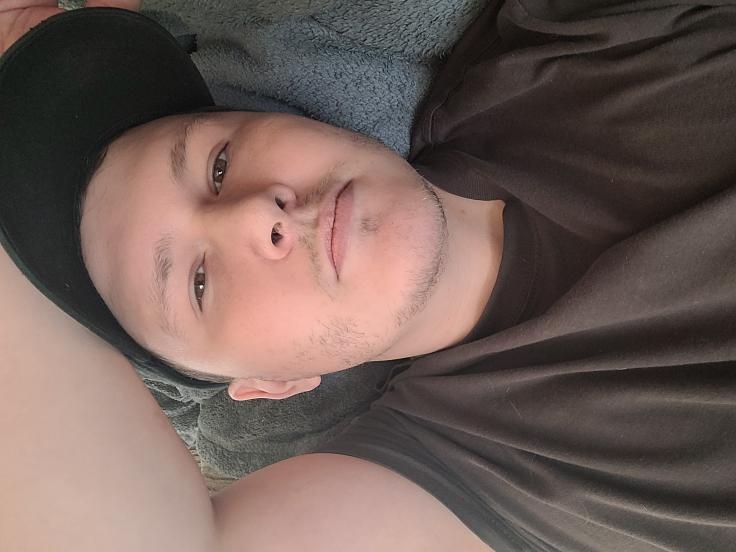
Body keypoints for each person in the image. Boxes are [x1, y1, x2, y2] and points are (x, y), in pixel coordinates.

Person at [1, 2, 735, 551]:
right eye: (197, 283)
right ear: (268, 385)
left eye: (219, 165)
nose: (256, 214)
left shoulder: (571, 45)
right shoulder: (494, 469)